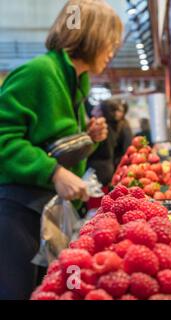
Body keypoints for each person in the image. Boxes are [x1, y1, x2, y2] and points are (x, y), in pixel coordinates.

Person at [0, 0, 123, 299]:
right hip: (17, 212)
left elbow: (50, 140)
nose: (113, 51)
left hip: (46, 213)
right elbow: (4, 137)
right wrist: (53, 172)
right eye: (111, 41)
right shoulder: (40, 72)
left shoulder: (74, 82)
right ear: (91, 35)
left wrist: (88, 137)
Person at [88, 100, 127, 187]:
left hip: (97, 172)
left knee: (98, 199)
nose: (93, 111)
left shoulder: (102, 130)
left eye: (96, 109)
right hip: (107, 169)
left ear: (102, 112)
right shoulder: (114, 126)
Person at [114, 101, 133, 168]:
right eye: (115, 110)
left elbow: (127, 148)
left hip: (121, 163)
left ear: (124, 113)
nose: (116, 113)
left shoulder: (125, 126)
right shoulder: (116, 124)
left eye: (119, 111)